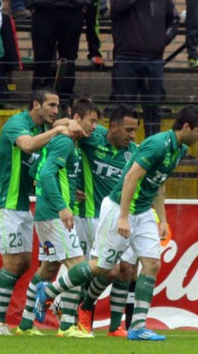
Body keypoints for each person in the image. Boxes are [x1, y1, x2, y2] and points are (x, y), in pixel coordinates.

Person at [34, 105, 198, 341]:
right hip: (118, 207)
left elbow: (158, 184)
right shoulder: (157, 145)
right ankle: (49, 290)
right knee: (102, 267)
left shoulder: (179, 150)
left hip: (143, 211)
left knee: (151, 264)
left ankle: (137, 327)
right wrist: (124, 216)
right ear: (186, 127)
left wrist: (163, 219)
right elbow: (130, 177)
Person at [0, 88, 83, 335]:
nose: (55, 111)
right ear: (35, 105)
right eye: (51, 105)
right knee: (12, 262)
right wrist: (58, 129)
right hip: (2, 202)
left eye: (58, 106)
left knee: (23, 263)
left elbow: (62, 124)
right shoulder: (17, 124)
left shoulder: (42, 127)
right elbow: (28, 146)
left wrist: (68, 122)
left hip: (20, 203)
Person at [15, 97, 99, 338]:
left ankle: (25, 324)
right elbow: (48, 175)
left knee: (48, 268)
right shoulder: (64, 142)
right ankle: (67, 324)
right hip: (54, 215)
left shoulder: (62, 141)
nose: (93, 127)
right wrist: (63, 205)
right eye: (91, 121)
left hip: (46, 212)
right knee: (80, 268)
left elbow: (36, 170)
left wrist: (71, 192)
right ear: (77, 119)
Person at [74, 103, 139, 337]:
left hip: (121, 218)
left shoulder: (135, 153)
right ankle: (82, 310)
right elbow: (63, 127)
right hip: (91, 217)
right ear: (112, 128)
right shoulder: (93, 137)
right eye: (128, 130)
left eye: (135, 131)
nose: (132, 136)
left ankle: (115, 326)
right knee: (105, 270)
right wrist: (71, 186)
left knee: (127, 270)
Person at [111, 0, 180, 138]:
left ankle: (152, 148)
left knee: (153, 108)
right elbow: (117, 8)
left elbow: (174, 19)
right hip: (126, 58)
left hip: (153, 60)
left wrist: (163, 39)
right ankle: (122, 148)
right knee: (125, 107)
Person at [27, 0, 85, 101]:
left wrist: (84, 3)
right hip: (43, 9)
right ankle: (40, 96)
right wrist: (30, 3)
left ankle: (65, 97)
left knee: (69, 57)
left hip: (73, 9)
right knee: (42, 55)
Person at [85, 0, 106, 69]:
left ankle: (95, 54)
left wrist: (102, 6)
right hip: (72, 0)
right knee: (73, 25)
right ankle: (68, 56)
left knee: (92, 24)